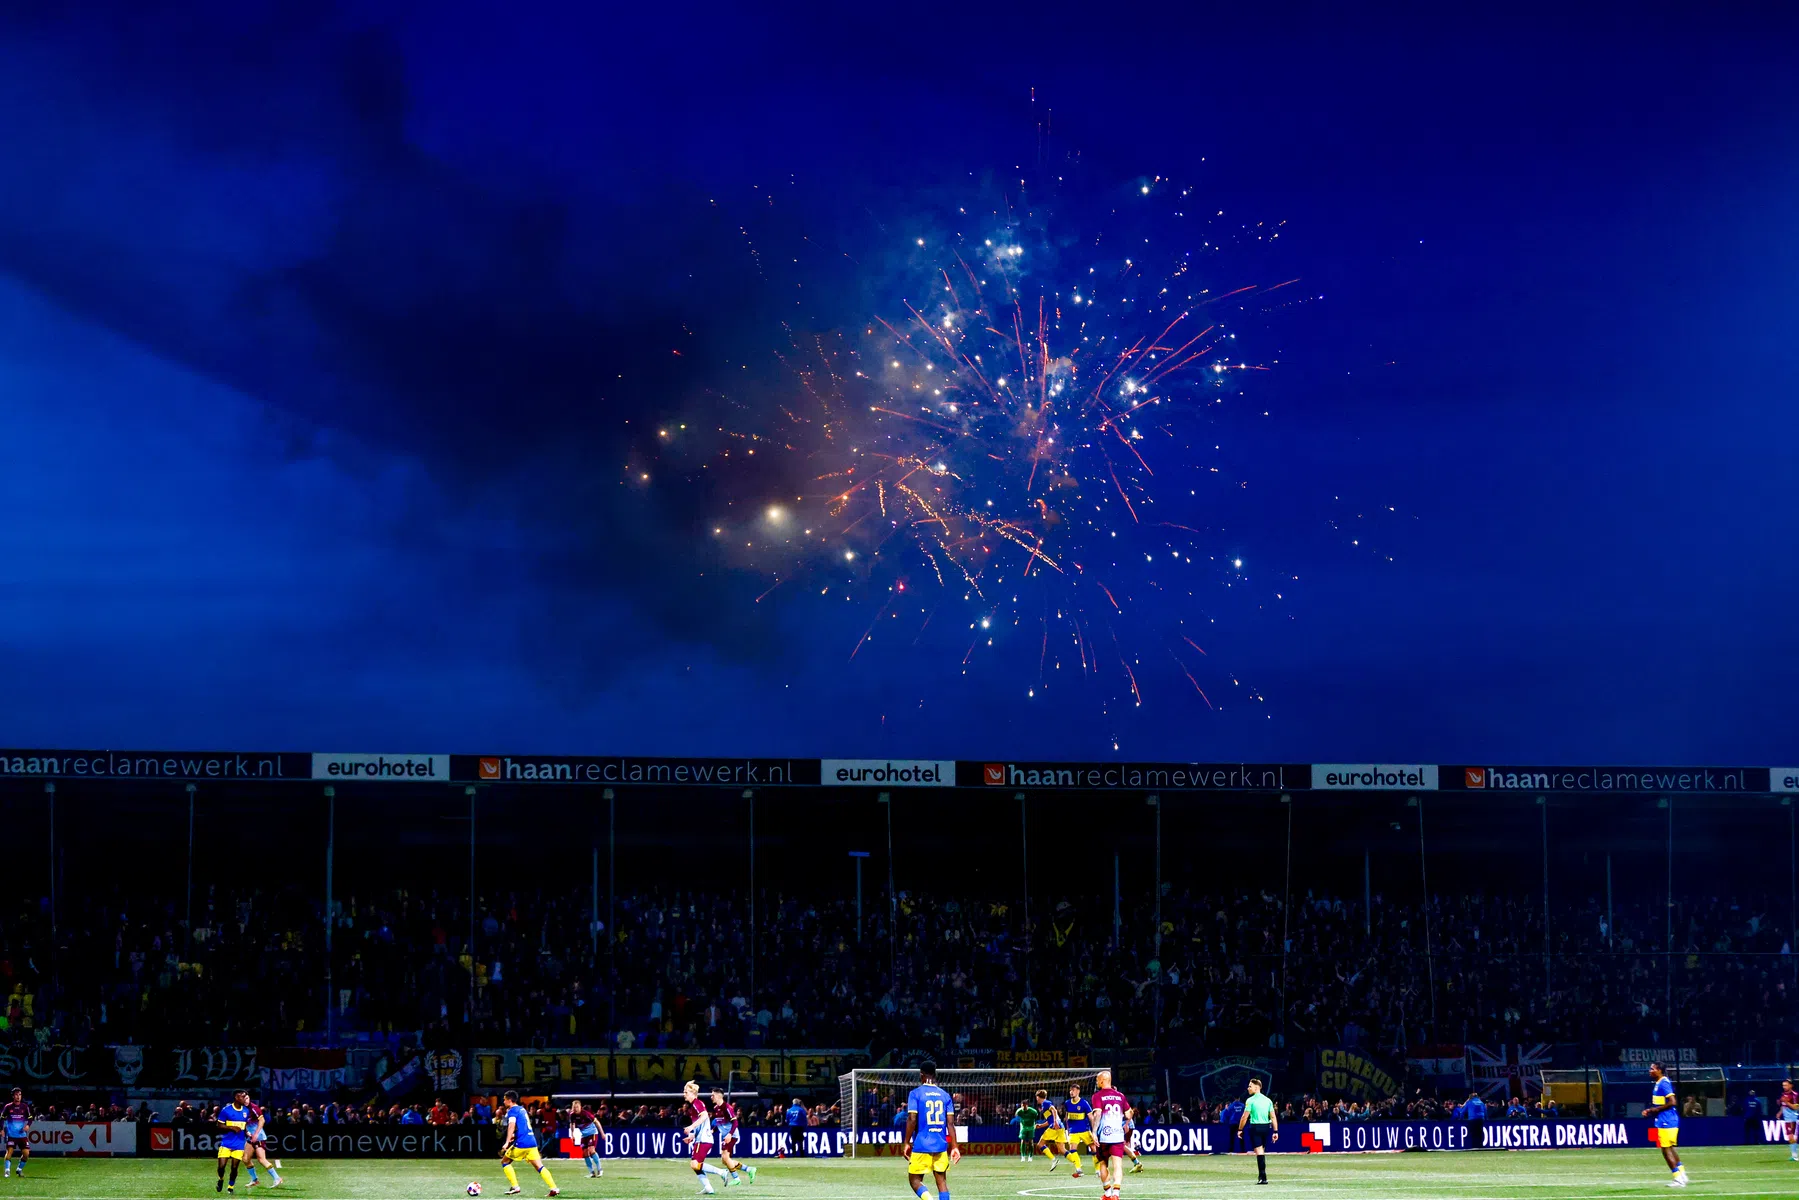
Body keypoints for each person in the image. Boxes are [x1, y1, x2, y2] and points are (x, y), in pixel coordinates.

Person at [903, 1062, 959, 1200]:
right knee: (941, 1182)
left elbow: (912, 1118)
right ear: (935, 1075)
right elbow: (950, 1124)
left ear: (921, 1075)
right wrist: (955, 1146)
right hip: (940, 1145)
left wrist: (906, 1142)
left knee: (914, 1180)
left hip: (922, 1144)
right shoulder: (945, 1095)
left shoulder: (915, 1094)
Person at [497, 1088, 560, 1197]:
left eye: (504, 1099)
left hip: (522, 1143)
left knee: (505, 1162)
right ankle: (554, 1188)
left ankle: (515, 1187)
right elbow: (522, 1126)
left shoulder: (512, 1110)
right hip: (531, 1141)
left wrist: (507, 1142)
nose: (503, 1102)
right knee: (539, 1166)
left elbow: (512, 1125)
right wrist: (514, 1135)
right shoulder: (522, 1109)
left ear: (510, 1100)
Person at [1642, 1062, 1688, 1187]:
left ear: (1659, 1070)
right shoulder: (1659, 1083)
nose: (1649, 1071)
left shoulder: (1664, 1083)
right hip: (1665, 1119)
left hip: (1667, 1120)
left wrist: (1655, 1110)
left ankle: (1677, 1178)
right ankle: (1682, 1175)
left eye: (1652, 1069)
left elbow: (1673, 1102)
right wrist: (1652, 1110)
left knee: (1665, 1149)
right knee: (1670, 1148)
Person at [682, 1081, 731, 1194]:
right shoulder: (694, 1106)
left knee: (695, 1164)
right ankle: (708, 1188)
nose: (684, 1094)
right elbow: (701, 1123)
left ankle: (721, 1172)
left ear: (692, 1093)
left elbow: (704, 1116)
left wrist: (690, 1127)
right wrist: (692, 1135)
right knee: (696, 1166)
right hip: (702, 1138)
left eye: (685, 1092)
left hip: (703, 1139)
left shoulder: (696, 1103)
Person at [1090, 1070, 1131, 1200]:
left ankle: (1107, 1194)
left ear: (1102, 1081)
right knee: (1117, 1165)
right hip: (1118, 1135)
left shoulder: (1097, 1096)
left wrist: (1094, 1132)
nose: (1097, 1082)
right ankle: (1116, 1194)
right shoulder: (1120, 1096)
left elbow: (1097, 1114)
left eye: (1097, 1080)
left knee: (1103, 1164)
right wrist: (1126, 1123)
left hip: (1104, 1136)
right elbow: (1129, 1113)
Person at [1235, 1078, 1278, 1186]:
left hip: (1255, 1127)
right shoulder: (1268, 1100)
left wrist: (1240, 1129)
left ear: (1256, 1087)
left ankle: (1263, 1177)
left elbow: (1244, 1117)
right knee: (1261, 1151)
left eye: (1250, 1086)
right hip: (1266, 1128)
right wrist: (1275, 1131)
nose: (1248, 1088)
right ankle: (1262, 1176)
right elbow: (1273, 1117)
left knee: (1258, 1151)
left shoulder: (1250, 1100)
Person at [710, 1087, 756, 1185]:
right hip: (725, 1136)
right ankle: (749, 1169)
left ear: (718, 1096)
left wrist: (730, 1134)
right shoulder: (716, 1108)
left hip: (732, 1135)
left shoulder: (727, 1107)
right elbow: (719, 1122)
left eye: (713, 1095)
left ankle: (736, 1179)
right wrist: (712, 1130)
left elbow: (735, 1122)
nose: (711, 1097)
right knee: (725, 1160)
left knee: (726, 1157)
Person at [216, 1090, 252, 1194]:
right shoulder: (226, 1110)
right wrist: (231, 1127)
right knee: (221, 1167)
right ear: (236, 1097)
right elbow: (219, 1125)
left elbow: (244, 1126)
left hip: (239, 1143)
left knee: (234, 1167)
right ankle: (221, 1179)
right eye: (243, 1097)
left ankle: (230, 1186)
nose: (245, 1099)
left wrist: (247, 1132)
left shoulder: (246, 1111)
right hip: (227, 1143)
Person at [242, 1096, 282, 1188]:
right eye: (244, 1098)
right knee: (245, 1159)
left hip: (258, 1136)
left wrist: (255, 1134)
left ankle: (277, 1178)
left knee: (261, 1159)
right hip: (250, 1138)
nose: (246, 1100)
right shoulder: (241, 1110)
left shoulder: (254, 1108)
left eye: (247, 1098)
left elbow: (262, 1120)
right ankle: (254, 1180)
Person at [1061, 1084, 1094, 1178]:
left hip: (1085, 1130)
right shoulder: (1067, 1103)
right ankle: (1079, 1169)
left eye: (1073, 1090)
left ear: (1078, 1091)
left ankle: (1098, 1170)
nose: (1071, 1092)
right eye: (1070, 1090)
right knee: (1072, 1150)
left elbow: (1091, 1117)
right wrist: (1067, 1129)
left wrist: (1093, 1131)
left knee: (1094, 1149)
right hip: (1073, 1131)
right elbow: (1067, 1117)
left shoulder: (1084, 1103)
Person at [568, 1099, 604, 1179]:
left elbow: (596, 1122)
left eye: (577, 1107)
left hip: (592, 1133)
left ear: (580, 1107)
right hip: (584, 1135)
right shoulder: (572, 1115)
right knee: (585, 1153)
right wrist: (572, 1135)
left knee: (591, 1150)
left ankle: (599, 1169)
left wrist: (602, 1133)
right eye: (574, 1107)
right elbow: (572, 1124)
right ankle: (592, 1172)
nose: (575, 1109)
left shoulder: (586, 1114)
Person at [2, 1088, 30, 1178]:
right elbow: (1, 1118)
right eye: (16, 1095)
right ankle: (7, 1171)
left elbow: (30, 1118)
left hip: (22, 1135)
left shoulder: (25, 1107)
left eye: (20, 1094)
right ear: (13, 1096)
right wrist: (1, 1129)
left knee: (26, 1154)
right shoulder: (8, 1107)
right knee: (9, 1152)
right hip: (11, 1135)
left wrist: (28, 1125)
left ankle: (19, 1169)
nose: (18, 1096)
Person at [1035, 1093, 1066, 1168]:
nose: (1036, 1099)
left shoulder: (1046, 1103)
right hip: (1060, 1126)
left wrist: (1055, 1122)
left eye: (1037, 1097)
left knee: (1040, 1144)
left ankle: (1053, 1160)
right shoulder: (1044, 1105)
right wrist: (1041, 1125)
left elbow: (1054, 1110)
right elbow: (1049, 1120)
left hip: (1054, 1126)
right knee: (1062, 1149)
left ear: (1038, 1097)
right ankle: (1077, 1164)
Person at [1012, 1094, 1042, 1163]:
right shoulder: (1019, 1111)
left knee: (1031, 1141)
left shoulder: (1033, 1111)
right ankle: (1023, 1156)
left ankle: (1030, 1156)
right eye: (1022, 1105)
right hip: (1023, 1127)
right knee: (1023, 1140)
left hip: (1031, 1127)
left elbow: (1036, 1116)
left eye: (1024, 1105)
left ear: (1027, 1105)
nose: (1023, 1107)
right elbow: (1016, 1115)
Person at [1777, 1079, 1797, 1162]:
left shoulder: (1794, 1095)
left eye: (1786, 1085)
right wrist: (1779, 1112)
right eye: (1783, 1085)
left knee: (1791, 1137)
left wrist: (1787, 1102)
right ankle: (1794, 1155)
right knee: (1790, 1137)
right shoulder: (1783, 1094)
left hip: (1793, 1118)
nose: (1784, 1087)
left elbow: (1796, 1107)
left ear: (1791, 1085)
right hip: (1787, 1119)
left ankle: (1795, 1156)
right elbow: (1783, 1105)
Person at [1121, 1106, 1144, 1174]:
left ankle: (1137, 1163)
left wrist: (1126, 1124)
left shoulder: (1120, 1103)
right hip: (1121, 1127)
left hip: (1128, 1126)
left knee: (1122, 1144)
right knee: (1122, 1144)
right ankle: (1137, 1163)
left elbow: (1131, 1112)